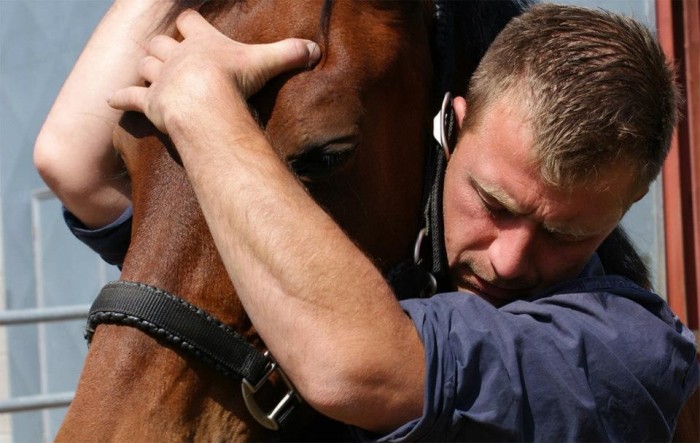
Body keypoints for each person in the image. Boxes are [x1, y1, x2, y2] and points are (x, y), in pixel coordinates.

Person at [35, 1, 698, 441]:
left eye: (567, 234)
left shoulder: (625, 352)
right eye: (494, 204)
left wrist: (201, 105)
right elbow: (72, 160)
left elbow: (352, 365)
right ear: (450, 130)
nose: (510, 260)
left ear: (628, 206)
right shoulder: (383, 263)